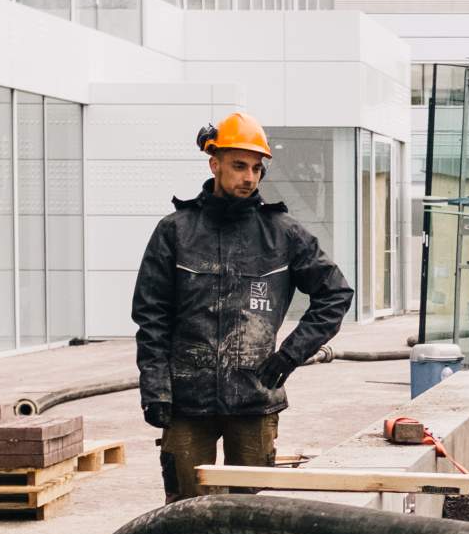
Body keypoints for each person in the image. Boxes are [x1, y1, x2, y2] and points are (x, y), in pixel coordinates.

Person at [131, 113, 352, 502]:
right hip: (186, 400)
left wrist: (290, 354)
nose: (249, 177)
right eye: (239, 166)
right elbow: (151, 316)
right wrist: (155, 388)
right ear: (214, 164)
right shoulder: (175, 231)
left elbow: (335, 293)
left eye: (256, 168)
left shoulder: (282, 233)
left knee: (250, 512)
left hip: (254, 397)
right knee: (186, 509)